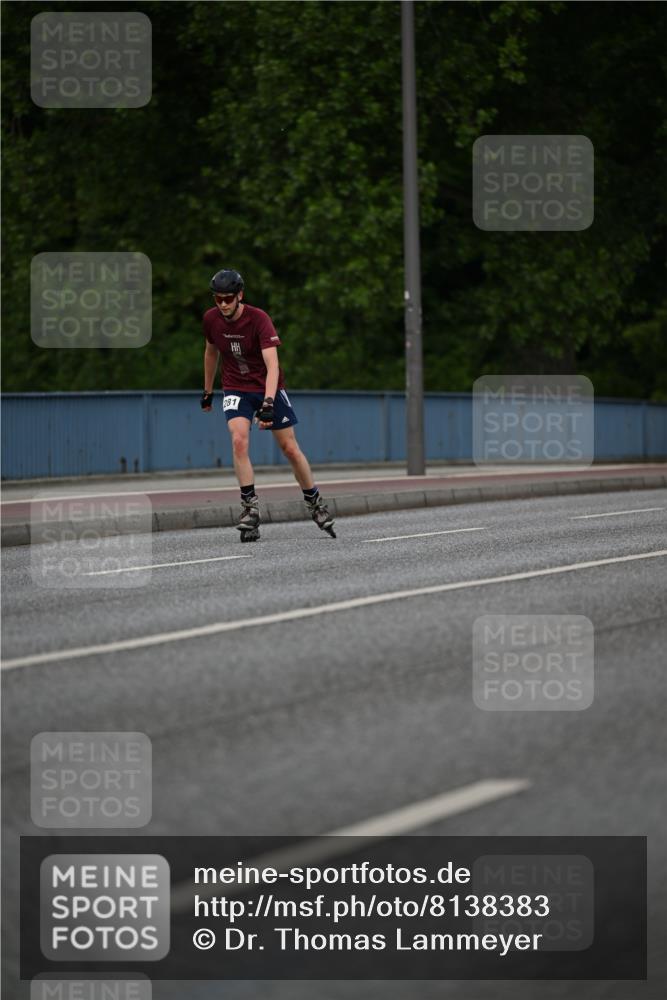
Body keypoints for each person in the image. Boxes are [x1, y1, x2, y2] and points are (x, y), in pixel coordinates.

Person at [200, 269, 336, 540]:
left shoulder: (258, 319)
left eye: (228, 299)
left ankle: (314, 502)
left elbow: (272, 365)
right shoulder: (211, 319)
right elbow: (211, 351)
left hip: (266, 386)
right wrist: (207, 391)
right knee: (239, 440)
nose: (223, 304)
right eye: (218, 299)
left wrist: (269, 402)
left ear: (240, 296)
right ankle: (250, 509)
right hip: (235, 386)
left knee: (289, 448)